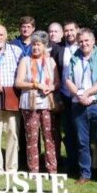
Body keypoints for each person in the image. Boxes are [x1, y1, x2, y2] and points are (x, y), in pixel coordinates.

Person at [66, 29, 97, 185]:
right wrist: (79, 94)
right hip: (78, 104)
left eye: (86, 41)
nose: (84, 44)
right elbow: (68, 80)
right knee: (82, 141)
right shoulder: (74, 58)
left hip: (96, 104)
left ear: (93, 41)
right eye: (81, 41)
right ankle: (85, 173)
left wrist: (87, 93)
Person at [15, 31, 59, 174]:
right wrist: (36, 85)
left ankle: (52, 169)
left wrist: (52, 87)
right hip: (30, 104)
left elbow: (57, 82)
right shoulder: (25, 60)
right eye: (33, 44)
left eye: (38, 44)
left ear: (44, 46)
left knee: (49, 137)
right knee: (32, 138)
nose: (35, 47)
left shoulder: (51, 62)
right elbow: (18, 83)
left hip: (47, 104)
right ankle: (34, 170)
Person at [0, 25, 22, 171]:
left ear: (6, 36)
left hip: (11, 100)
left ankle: (11, 167)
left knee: (13, 134)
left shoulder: (16, 51)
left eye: (1, 35)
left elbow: (22, 73)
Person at [55, 21, 80, 174]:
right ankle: (72, 164)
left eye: (72, 30)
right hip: (65, 96)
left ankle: (86, 165)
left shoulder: (85, 46)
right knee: (68, 132)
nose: (69, 33)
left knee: (81, 132)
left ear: (78, 30)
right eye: (66, 31)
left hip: (81, 96)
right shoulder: (59, 49)